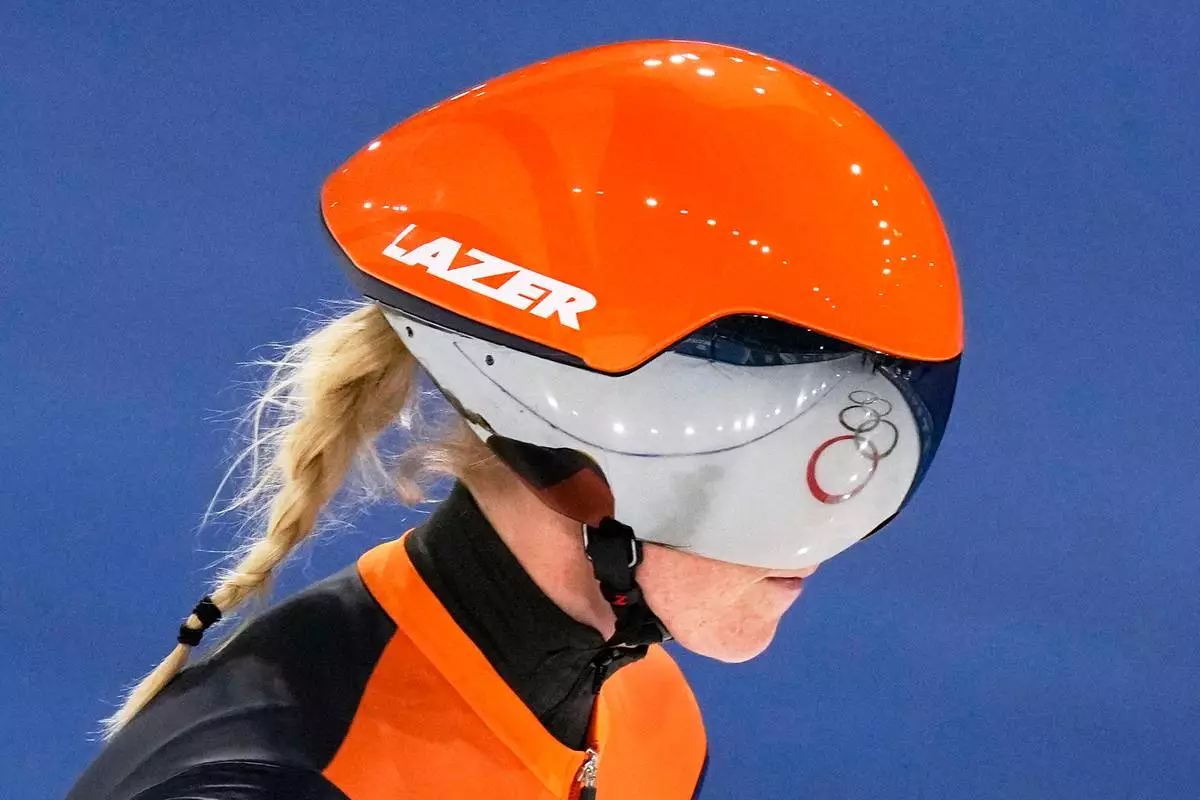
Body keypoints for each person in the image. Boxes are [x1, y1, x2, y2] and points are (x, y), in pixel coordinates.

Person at [66, 38, 963, 799]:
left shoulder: (645, 723)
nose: (821, 536)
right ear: (582, 435)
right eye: (770, 451)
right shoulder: (277, 778)